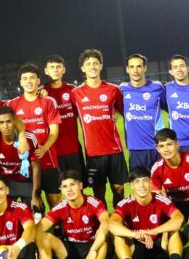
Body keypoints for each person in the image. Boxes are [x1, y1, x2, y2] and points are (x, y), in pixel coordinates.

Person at [90, 167, 184, 259]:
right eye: (137, 182)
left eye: (145, 180)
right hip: (137, 252)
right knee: (118, 235)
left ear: (150, 182)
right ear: (131, 186)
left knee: (174, 231)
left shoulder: (161, 200)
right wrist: (136, 234)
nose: (142, 185)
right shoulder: (125, 203)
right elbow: (112, 224)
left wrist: (152, 231)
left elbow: (179, 219)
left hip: (160, 249)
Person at [24, 170, 108, 259]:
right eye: (65, 186)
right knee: (46, 236)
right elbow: (38, 228)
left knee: (103, 236)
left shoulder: (92, 202)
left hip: (93, 251)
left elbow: (106, 222)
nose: (69, 189)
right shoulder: (61, 207)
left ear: (80, 186)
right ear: (61, 190)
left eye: (72, 185)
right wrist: (42, 251)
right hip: (70, 251)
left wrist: (94, 249)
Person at [71, 49, 126, 207]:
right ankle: (104, 223)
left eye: (95, 63)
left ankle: (118, 220)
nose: (92, 66)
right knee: (98, 192)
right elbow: (69, 118)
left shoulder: (113, 90)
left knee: (119, 189)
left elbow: (126, 114)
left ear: (101, 66)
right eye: (88, 64)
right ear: (82, 68)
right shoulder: (76, 93)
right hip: (93, 153)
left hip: (115, 149)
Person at [7, 63, 62, 207]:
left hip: (48, 159)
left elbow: (54, 131)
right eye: (25, 78)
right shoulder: (12, 104)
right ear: (20, 82)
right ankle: (39, 228)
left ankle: (59, 229)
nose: (29, 81)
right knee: (34, 205)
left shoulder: (48, 101)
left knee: (55, 203)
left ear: (38, 80)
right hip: (25, 164)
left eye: (32, 78)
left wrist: (44, 148)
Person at [0, 106, 42, 210]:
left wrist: (35, 196)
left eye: (9, 121)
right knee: (8, 217)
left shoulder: (29, 138)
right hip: (6, 183)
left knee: (37, 213)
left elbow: (36, 168)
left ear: (15, 122)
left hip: (26, 182)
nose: (6, 126)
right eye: (1, 122)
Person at [119, 54, 167, 170]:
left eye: (139, 66)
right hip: (136, 149)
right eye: (132, 67)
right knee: (139, 186)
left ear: (145, 68)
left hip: (158, 146)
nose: (135, 70)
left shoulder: (157, 88)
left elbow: (170, 107)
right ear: (127, 69)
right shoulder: (121, 90)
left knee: (162, 186)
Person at [43, 55, 85, 174]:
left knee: (77, 186)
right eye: (52, 67)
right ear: (46, 71)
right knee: (56, 190)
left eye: (58, 67)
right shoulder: (41, 93)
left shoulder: (73, 90)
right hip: (53, 150)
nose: (55, 70)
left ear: (63, 70)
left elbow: (84, 110)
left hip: (73, 148)